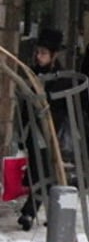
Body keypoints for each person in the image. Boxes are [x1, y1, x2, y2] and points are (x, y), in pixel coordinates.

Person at [17, 28, 69, 231]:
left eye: (44, 53)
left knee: (45, 172)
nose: (39, 57)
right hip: (34, 131)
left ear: (54, 55)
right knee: (41, 172)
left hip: (52, 132)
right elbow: (25, 105)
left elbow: (63, 107)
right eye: (38, 53)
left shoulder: (61, 78)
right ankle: (51, 211)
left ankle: (29, 212)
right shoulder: (32, 73)